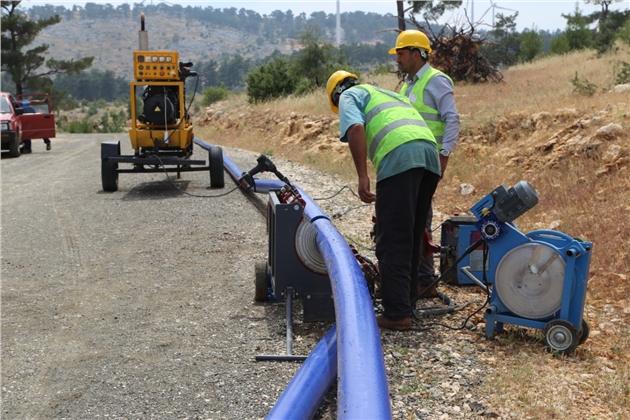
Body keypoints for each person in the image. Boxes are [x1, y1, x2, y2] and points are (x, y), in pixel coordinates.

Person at [326, 70, 441, 331]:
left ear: (336, 94)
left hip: (400, 157)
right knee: (412, 235)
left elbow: (356, 127)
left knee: (392, 238)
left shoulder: (349, 96)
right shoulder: (387, 93)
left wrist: (362, 176)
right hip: (429, 155)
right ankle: (405, 305)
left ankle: (397, 314)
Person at [389, 30, 461, 299]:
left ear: (417, 54)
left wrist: (444, 156)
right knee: (414, 217)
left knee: (420, 218)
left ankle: (426, 280)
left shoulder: (436, 81)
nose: (398, 58)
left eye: (402, 53)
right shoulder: (409, 84)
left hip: (428, 160)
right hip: (412, 162)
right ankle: (420, 278)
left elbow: (452, 120)